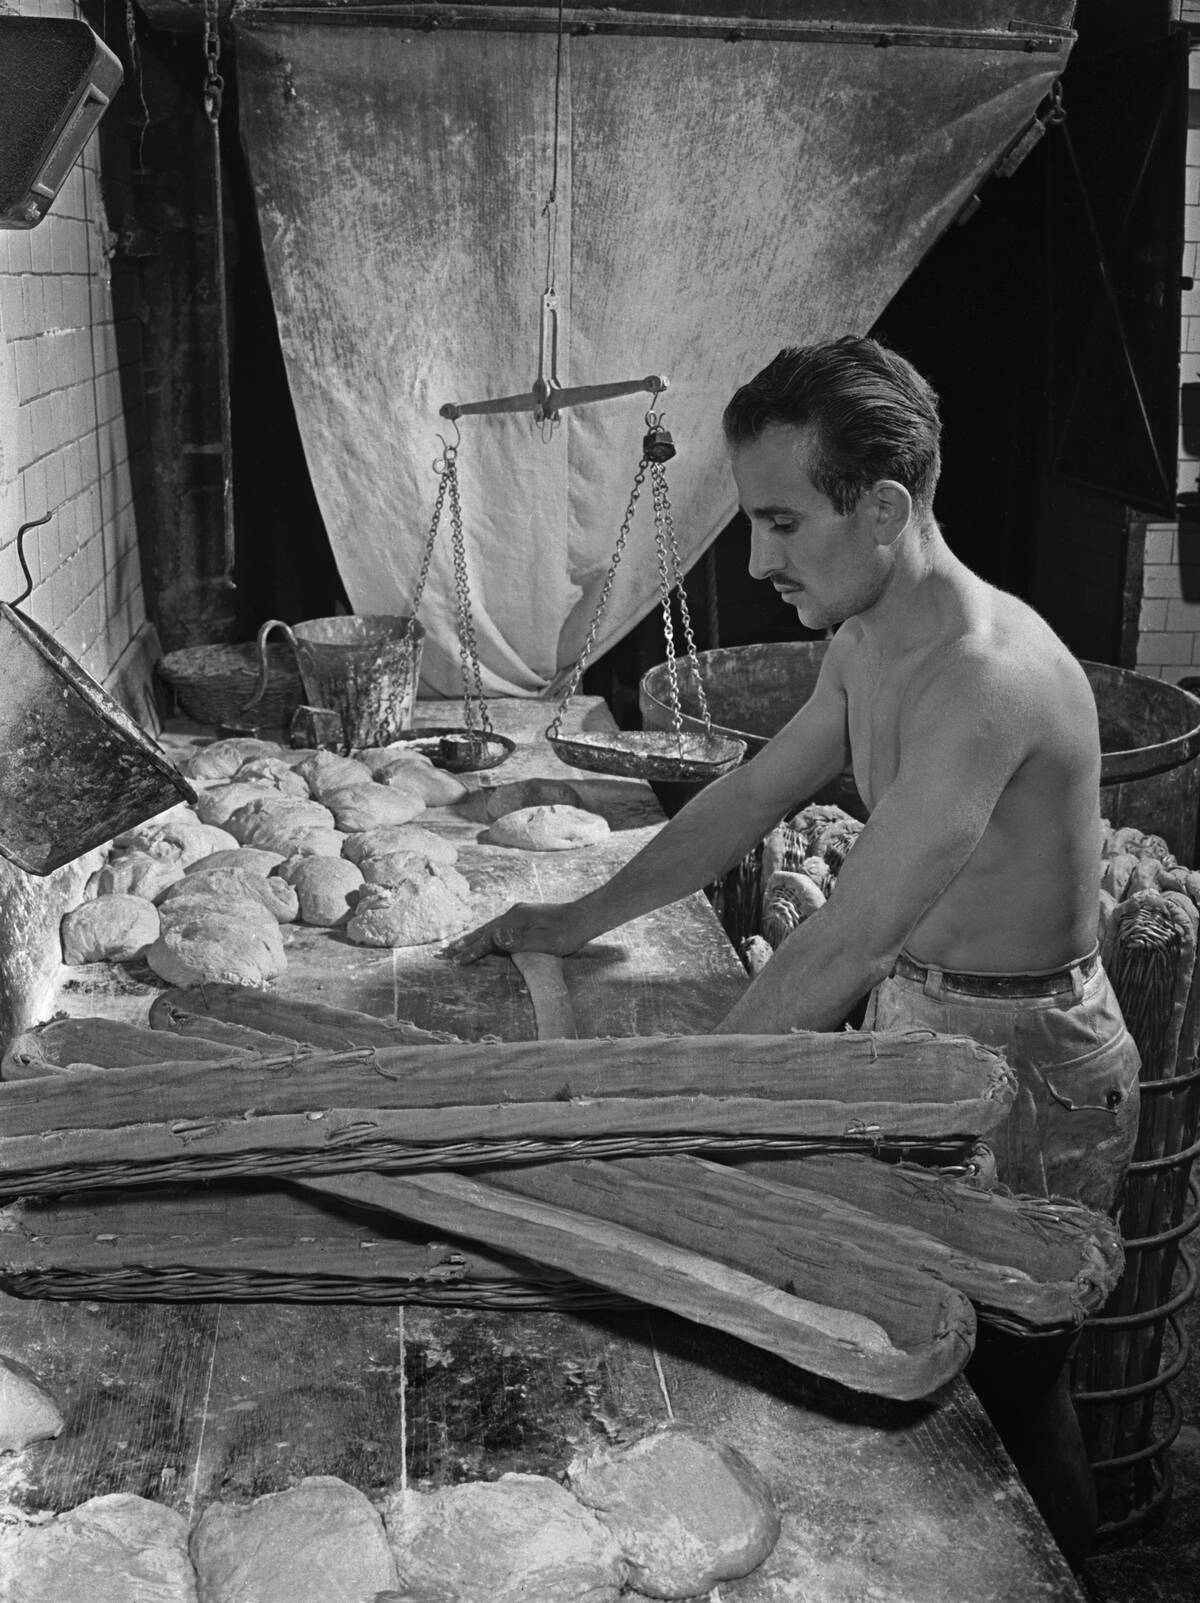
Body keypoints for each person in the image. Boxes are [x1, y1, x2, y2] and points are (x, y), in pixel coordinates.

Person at [446, 335, 1142, 1562]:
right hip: (929, 1021)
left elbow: (848, 937)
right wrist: (573, 918)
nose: (759, 560)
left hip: (1033, 1061)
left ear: (881, 508)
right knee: (928, 1364)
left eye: (779, 523)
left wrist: (675, 1101)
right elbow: (746, 796)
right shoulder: (867, 637)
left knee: (1015, 1415)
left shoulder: (983, 678)